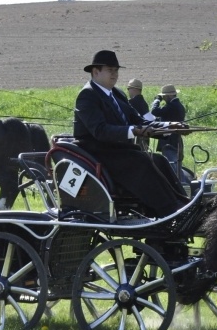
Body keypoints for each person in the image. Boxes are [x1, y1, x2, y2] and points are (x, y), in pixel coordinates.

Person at [72, 50, 189, 218]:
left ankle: (182, 203)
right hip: (100, 154)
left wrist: (170, 126)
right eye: (110, 70)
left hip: (121, 153)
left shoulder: (117, 94)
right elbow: (100, 131)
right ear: (95, 72)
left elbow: (139, 120)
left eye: (116, 70)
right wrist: (132, 130)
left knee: (159, 160)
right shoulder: (87, 96)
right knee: (142, 161)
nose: (114, 74)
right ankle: (169, 211)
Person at [150, 84, 186, 172]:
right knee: (175, 165)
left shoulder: (172, 106)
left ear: (169, 95)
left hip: (169, 140)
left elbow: (155, 111)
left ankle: (182, 183)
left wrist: (156, 101)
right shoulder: (178, 105)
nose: (164, 99)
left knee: (173, 166)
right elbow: (166, 117)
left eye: (164, 96)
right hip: (176, 140)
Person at [126, 78, 151, 150]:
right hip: (145, 134)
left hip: (137, 136)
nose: (128, 91)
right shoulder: (143, 103)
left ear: (134, 89)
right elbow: (149, 119)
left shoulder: (132, 103)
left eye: (128, 88)